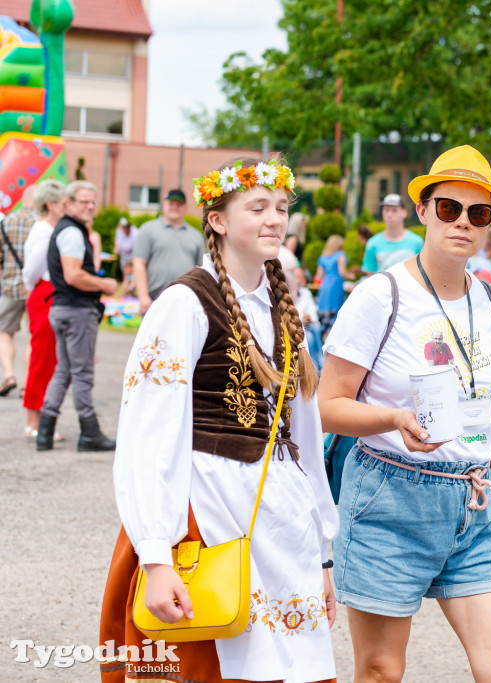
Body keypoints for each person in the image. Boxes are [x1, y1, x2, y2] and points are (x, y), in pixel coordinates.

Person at [99, 157, 338, 683]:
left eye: (280, 208)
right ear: (218, 220)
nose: (274, 219)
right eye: (257, 208)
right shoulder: (184, 302)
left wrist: (321, 554)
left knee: (288, 670)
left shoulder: (284, 309)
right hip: (206, 512)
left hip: (280, 516)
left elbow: (304, 438)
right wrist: (157, 558)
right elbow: (149, 434)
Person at [319, 144, 491, 682]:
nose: (462, 222)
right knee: (382, 671)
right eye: (448, 208)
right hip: (391, 498)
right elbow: (326, 407)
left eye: (477, 213)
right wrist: (393, 420)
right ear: (422, 211)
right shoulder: (380, 296)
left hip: (475, 503)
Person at [36, 181, 119, 452]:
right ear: (68, 203)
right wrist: (104, 284)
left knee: (63, 371)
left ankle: (44, 433)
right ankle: (89, 433)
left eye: (93, 201)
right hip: (75, 310)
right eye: (84, 201)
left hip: (63, 308)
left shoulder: (68, 230)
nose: (91, 206)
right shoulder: (71, 232)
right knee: (81, 373)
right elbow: (73, 275)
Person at [21, 180, 64, 440]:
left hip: (47, 292)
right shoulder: (43, 231)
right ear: (50, 205)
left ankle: (38, 419)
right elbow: (32, 269)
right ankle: (33, 422)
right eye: (61, 202)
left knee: (49, 358)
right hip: (44, 292)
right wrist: (31, 286)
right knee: (42, 358)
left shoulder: (48, 229)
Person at [133, 188, 206, 314]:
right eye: (171, 203)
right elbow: (139, 263)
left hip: (186, 301)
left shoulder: (196, 236)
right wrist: (143, 296)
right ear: (164, 205)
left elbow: (201, 270)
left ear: (186, 207)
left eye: (179, 204)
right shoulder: (147, 230)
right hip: (154, 299)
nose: (174, 207)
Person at [0, 184, 35, 397]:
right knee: (33, 337)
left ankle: (9, 375)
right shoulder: (43, 223)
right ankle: (26, 385)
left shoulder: (7, 221)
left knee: (4, 332)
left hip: (10, 286)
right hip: (34, 289)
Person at [361, 193, 424, 275]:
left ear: (404, 213)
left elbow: (422, 272)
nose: (390, 214)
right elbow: (370, 275)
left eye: (394, 210)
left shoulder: (417, 242)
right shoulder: (372, 244)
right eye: (386, 210)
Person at [315, 234, 350, 332]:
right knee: (335, 313)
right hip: (336, 286)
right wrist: (351, 276)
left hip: (325, 285)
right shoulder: (341, 255)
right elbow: (342, 272)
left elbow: (319, 275)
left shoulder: (323, 257)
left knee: (325, 313)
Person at [113, 217, 138, 295]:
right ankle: (128, 292)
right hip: (124, 254)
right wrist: (121, 292)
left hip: (133, 254)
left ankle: (131, 291)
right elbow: (117, 242)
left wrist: (129, 287)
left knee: (132, 279)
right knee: (126, 277)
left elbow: (137, 247)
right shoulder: (119, 230)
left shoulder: (135, 232)